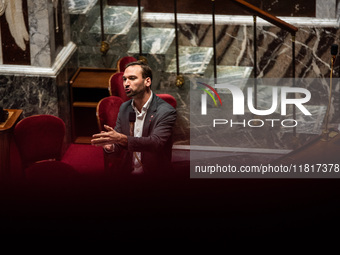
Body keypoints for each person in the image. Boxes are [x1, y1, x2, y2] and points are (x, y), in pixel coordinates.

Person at [91, 61, 177, 177]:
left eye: (132, 78)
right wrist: (111, 146)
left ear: (147, 81)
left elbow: (155, 143)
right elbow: (119, 146)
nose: (126, 83)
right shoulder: (125, 108)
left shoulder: (165, 111)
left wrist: (121, 138)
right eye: (124, 79)